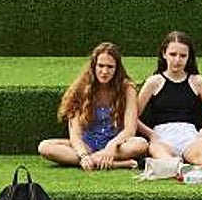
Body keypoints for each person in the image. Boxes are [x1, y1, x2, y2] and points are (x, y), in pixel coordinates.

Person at [38, 42, 149, 170]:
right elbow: (75, 135)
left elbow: (130, 130)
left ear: (117, 69)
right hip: (87, 145)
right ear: (93, 66)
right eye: (101, 66)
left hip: (116, 146)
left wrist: (111, 146)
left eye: (110, 67)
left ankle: (94, 161)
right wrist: (83, 155)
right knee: (45, 147)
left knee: (141, 144)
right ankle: (114, 164)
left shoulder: (127, 88)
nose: (104, 71)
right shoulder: (80, 89)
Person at [136, 31, 202, 171]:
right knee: (161, 154)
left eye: (182, 56)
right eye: (173, 54)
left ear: (189, 57)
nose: (177, 60)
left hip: (189, 135)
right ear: (164, 54)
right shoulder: (154, 82)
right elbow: (132, 117)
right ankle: (180, 167)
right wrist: (151, 135)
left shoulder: (196, 81)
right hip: (162, 135)